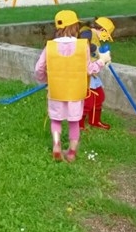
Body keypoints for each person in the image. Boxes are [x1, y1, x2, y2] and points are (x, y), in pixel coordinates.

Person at [34, 10, 107, 162]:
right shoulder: (83, 46)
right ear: (75, 26)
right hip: (75, 92)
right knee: (74, 122)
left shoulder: (50, 46)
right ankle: (72, 152)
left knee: (56, 120)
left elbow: (39, 68)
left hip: (56, 91)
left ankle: (56, 145)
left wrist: (46, 80)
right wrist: (102, 61)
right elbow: (89, 69)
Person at [78, 16, 116, 130]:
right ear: (101, 30)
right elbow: (82, 45)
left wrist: (104, 58)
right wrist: (96, 50)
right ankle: (79, 125)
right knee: (88, 100)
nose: (104, 39)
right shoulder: (87, 33)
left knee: (99, 96)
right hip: (84, 73)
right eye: (105, 35)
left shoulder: (94, 36)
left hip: (92, 72)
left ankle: (95, 121)